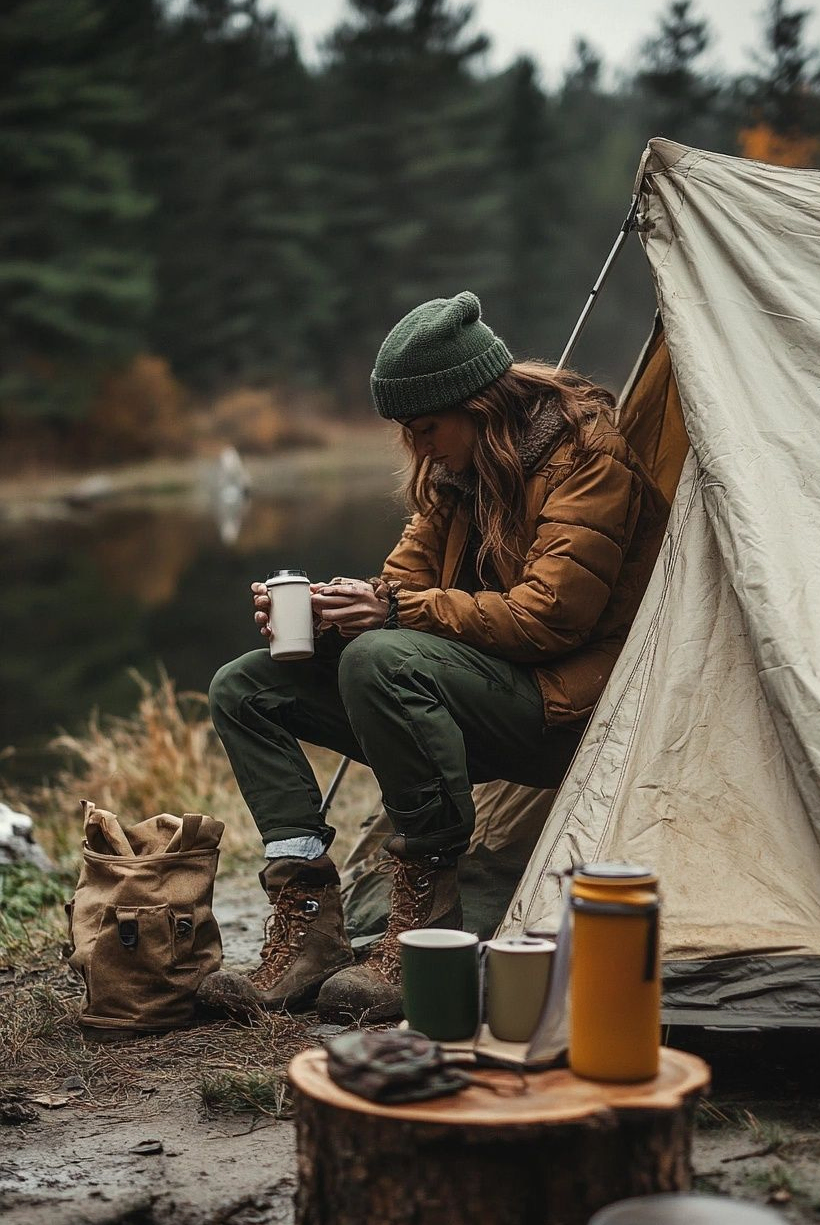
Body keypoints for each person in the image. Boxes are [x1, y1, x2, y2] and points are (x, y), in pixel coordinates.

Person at [209, 291, 666, 1023]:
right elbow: (405, 586)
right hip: (480, 698)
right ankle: (307, 917)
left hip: (570, 715)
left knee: (381, 659)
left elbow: (549, 619)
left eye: (428, 427)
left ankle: (425, 918)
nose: (419, 448)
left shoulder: (589, 459)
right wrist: (333, 614)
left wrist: (390, 613)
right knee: (246, 686)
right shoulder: (456, 475)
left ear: (479, 403)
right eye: (406, 432)